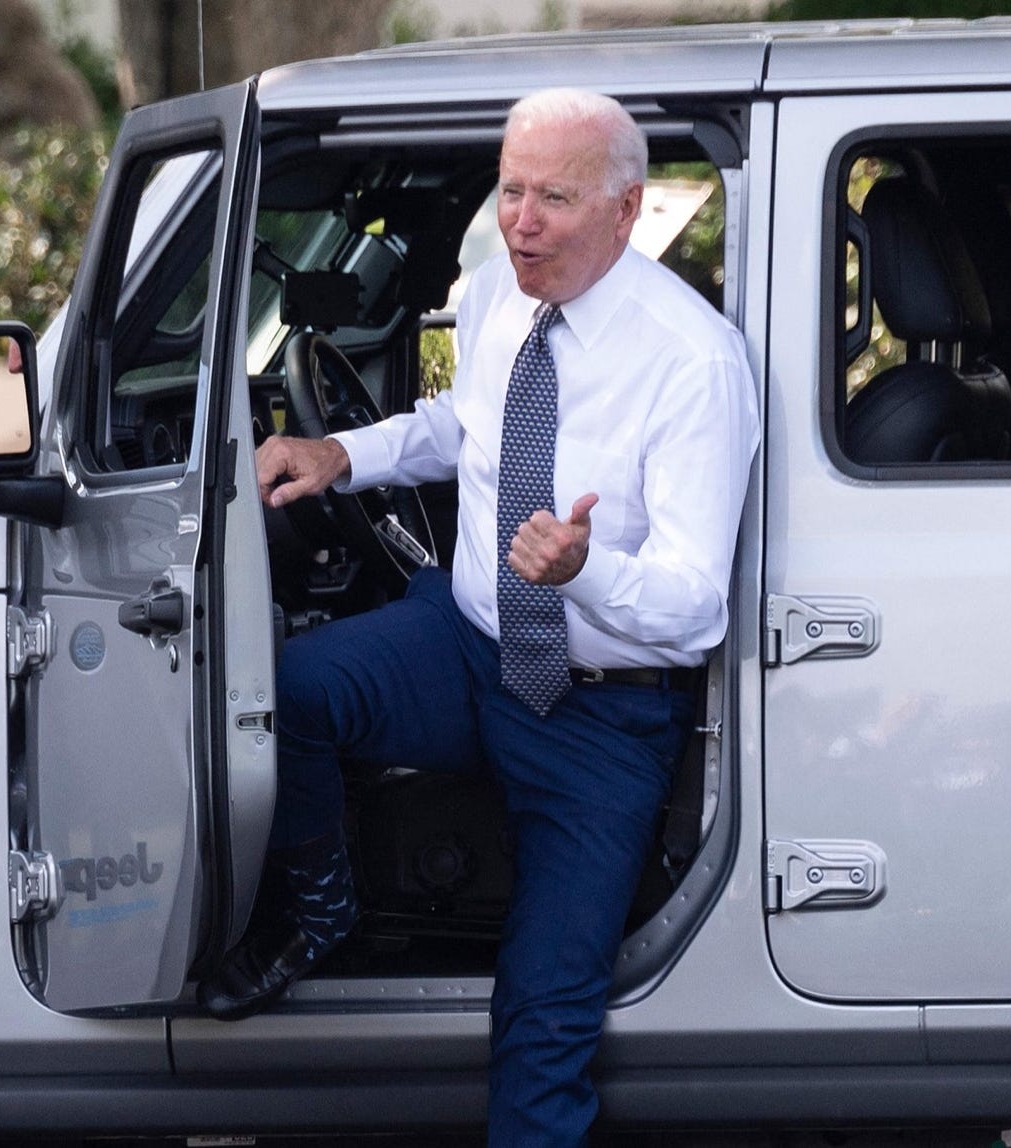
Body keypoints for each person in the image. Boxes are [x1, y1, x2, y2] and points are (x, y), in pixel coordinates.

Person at [200, 88, 760, 1146]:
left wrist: (583, 568)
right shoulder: (505, 291)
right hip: (468, 643)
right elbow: (466, 423)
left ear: (625, 208)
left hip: (598, 718)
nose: (521, 220)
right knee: (282, 694)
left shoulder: (690, 362)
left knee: (539, 1020)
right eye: (509, 190)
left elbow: (692, 610)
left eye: (552, 197)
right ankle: (318, 911)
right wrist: (339, 456)